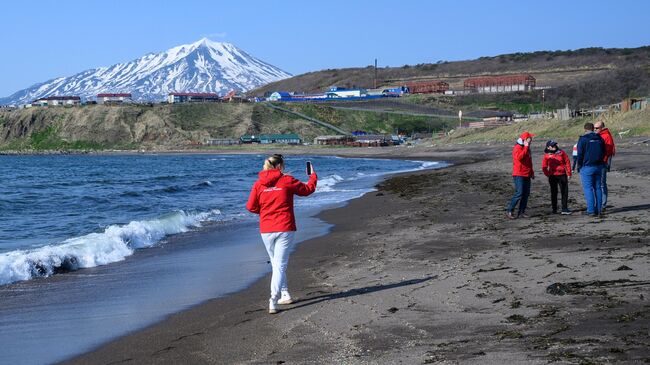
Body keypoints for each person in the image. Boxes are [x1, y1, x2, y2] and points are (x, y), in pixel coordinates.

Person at [246, 154, 318, 314]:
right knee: (279, 265)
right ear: (279, 167)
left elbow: (251, 207)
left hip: (266, 229)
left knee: (276, 264)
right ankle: (273, 300)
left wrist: (265, 212)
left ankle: (285, 294)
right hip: (284, 227)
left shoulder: (258, 184)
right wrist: (312, 176)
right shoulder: (287, 180)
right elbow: (308, 190)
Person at [576, 123, 606, 217]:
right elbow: (604, 151)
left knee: (588, 189)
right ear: (593, 129)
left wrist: (579, 165)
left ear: (585, 129)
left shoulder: (583, 139)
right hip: (598, 166)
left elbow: (580, 154)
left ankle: (591, 210)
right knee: (598, 188)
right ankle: (599, 209)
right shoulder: (599, 138)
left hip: (587, 166)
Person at [506, 131, 535, 219]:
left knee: (526, 193)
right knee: (519, 193)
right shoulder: (517, 147)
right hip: (519, 174)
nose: (531, 140)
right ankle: (510, 210)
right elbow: (520, 158)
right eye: (530, 138)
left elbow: (529, 162)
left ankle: (521, 212)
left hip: (527, 173)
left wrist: (531, 172)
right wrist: (526, 147)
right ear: (525, 139)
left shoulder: (527, 148)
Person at [542, 140, 572, 215]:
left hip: (562, 174)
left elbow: (567, 162)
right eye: (552, 146)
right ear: (548, 147)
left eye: (555, 145)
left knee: (564, 192)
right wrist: (547, 174)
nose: (554, 147)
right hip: (553, 176)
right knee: (554, 192)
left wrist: (569, 173)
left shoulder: (561, 152)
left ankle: (564, 208)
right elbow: (544, 166)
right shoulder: (546, 155)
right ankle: (554, 209)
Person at [595, 121, 615, 211]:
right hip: (597, 162)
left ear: (602, 128)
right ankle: (599, 203)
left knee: (602, 184)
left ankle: (603, 204)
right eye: (594, 128)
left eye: (597, 128)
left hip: (603, 162)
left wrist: (603, 161)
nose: (595, 130)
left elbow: (609, 151)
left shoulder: (606, 136)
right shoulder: (598, 135)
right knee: (597, 183)